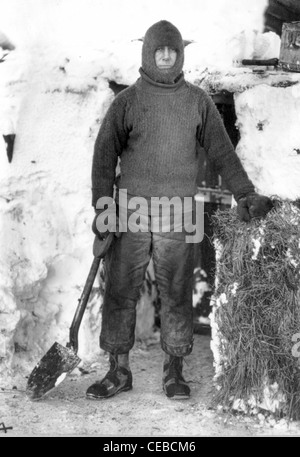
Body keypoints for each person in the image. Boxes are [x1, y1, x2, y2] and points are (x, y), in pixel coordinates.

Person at [87, 20, 273, 400]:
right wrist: (104, 206)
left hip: (178, 211)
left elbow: (222, 151)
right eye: (160, 50)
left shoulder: (197, 102)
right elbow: (104, 156)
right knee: (121, 291)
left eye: (172, 49)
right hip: (129, 212)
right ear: (148, 53)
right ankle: (118, 370)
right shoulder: (127, 103)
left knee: (176, 291)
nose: (167, 55)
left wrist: (244, 193)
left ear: (181, 53)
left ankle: (174, 371)